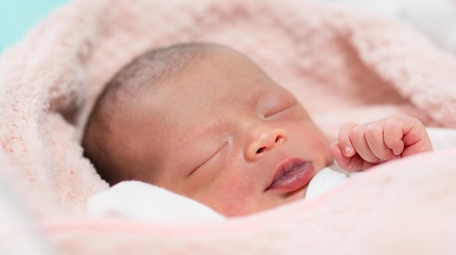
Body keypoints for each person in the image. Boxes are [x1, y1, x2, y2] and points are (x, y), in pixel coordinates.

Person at [82, 42, 433, 217]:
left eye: (276, 111)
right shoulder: (197, 241)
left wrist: (405, 164)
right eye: (211, 155)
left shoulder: (358, 175)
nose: (265, 136)